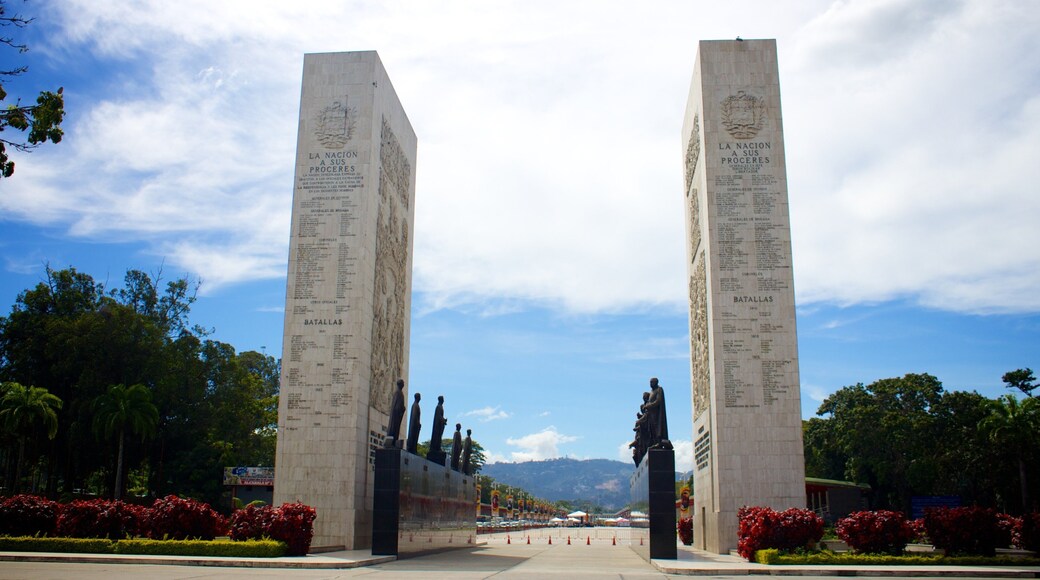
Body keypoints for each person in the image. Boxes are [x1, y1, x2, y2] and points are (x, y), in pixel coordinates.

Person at [644, 377, 672, 449]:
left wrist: (649, 405)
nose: (650, 384)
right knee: (652, 429)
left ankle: (659, 442)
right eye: (650, 382)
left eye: (652, 382)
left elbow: (658, 401)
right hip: (651, 414)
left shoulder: (659, 389)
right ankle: (655, 442)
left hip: (657, 414)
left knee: (657, 428)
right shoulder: (651, 392)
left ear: (656, 382)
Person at [385, 379, 406, 447]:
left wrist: (402, 409)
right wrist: (401, 409)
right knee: (393, 429)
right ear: (400, 384)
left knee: (396, 430)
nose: (403, 385)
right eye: (403, 383)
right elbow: (396, 405)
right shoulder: (397, 392)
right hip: (396, 415)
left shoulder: (400, 392)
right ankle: (392, 442)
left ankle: (394, 442)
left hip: (398, 415)